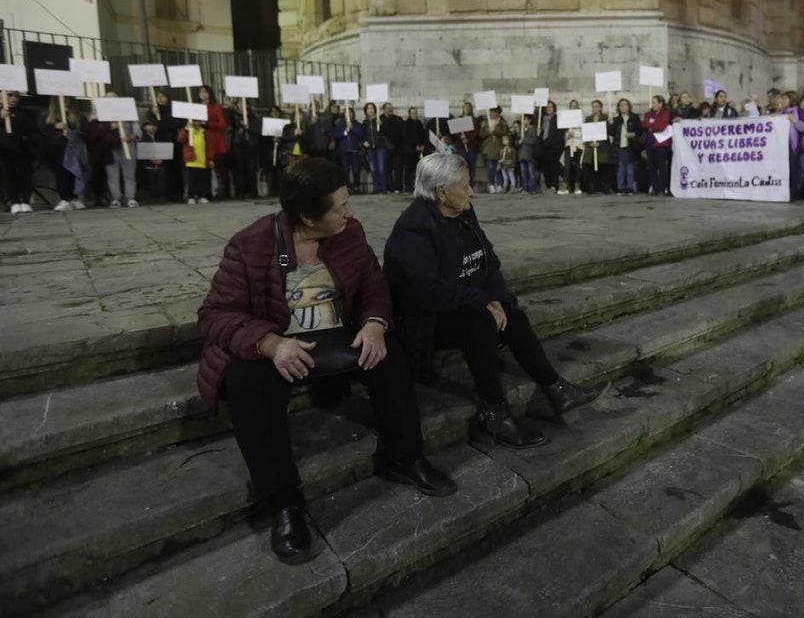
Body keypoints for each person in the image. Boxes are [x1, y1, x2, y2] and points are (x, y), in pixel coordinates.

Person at [197, 158, 454, 563]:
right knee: (247, 382)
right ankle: (284, 501)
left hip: (337, 335)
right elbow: (214, 314)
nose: (349, 213)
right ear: (307, 217)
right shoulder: (250, 244)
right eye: (339, 207)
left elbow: (373, 282)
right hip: (277, 343)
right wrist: (268, 343)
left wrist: (373, 323)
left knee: (387, 351)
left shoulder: (349, 233)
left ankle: (404, 456)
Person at [383, 153, 607, 448]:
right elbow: (428, 292)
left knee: (513, 317)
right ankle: (494, 413)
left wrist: (497, 299)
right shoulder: (414, 230)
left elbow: (489, 260)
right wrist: (481, 301)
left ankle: (557, 389)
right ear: (441, 192)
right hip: (426, 319)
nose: (472, 191)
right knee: (480, 323)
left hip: (463, 302)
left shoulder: (462, 212)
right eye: (465, 186)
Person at [0, 91, 36, 213]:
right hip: (4, 150)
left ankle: (25, 200)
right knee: (8, 175)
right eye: (10, 95)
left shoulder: (25, 113)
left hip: (22, 148)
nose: (13, 98)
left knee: (25, 174)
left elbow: (31, 128)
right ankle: (13, 201)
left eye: (16, 95)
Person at [778, 90, 804, 200]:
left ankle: (797, 191)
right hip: (784, 148)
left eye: (785, 99)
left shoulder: (801, 112)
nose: (782, 101)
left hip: (798, 146)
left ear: (791, 100)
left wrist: (794, 120)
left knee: (799, 169)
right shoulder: (781, 113)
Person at [202, 86, 230, 200]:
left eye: (204, 92)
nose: (202, 94)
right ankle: (207, 192)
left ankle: (222, 192)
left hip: (216, 142)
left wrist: (209, 124)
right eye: (200, 92)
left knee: (220, 169)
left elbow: (223, 124)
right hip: (203, 141)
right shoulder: (197, 107)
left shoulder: (216, 107)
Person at [611, 97, 643, 194]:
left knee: (630, 168)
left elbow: (640, 130)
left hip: (631, 146)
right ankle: (620, 187)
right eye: (621, 105)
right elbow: (611, 133)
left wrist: (634, 134)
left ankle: (630, 187)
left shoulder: (634, 117)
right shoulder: (617, 119)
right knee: (621, 168)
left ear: (629, 106)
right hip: (619, 146)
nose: (623, 107)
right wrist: (611, 124)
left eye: (625, 105)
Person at [642, 95, 671, 196]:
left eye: (654, 102)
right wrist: (652, 126)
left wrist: (651, 127)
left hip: (660, 144)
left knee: (661, 167)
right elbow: (644, 124)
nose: (652, 105)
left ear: (660, 103)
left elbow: (661, 126)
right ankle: (655, 187)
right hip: (650, 143)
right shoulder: (649, 114)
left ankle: (662, 188)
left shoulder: (665, 113)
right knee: (652, 167)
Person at [362, 103, 389, 194]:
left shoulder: (380, 120)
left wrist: (381, 125)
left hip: (380, 146)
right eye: (368, 108)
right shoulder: (365, 122)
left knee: (381, 167)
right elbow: (362, 135)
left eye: (372, 108)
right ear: (365, 110)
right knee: (373, 168)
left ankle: (383, 187)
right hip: (370, 148)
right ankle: (376, 187)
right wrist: (364, 141)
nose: (370, 110)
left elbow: (386, 132)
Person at [517, 113, 538, 193]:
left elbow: (533, 141)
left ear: (529, 120)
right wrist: (519, 142)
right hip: (521, 155)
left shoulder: (532, 129)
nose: (523, 121)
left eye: (525, 119)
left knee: (531, 172)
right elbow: (517, 142)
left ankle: (531, 188)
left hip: (529, 154)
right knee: (523, 173)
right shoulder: (520, 130)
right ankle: (524, 188)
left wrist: (524, 140)